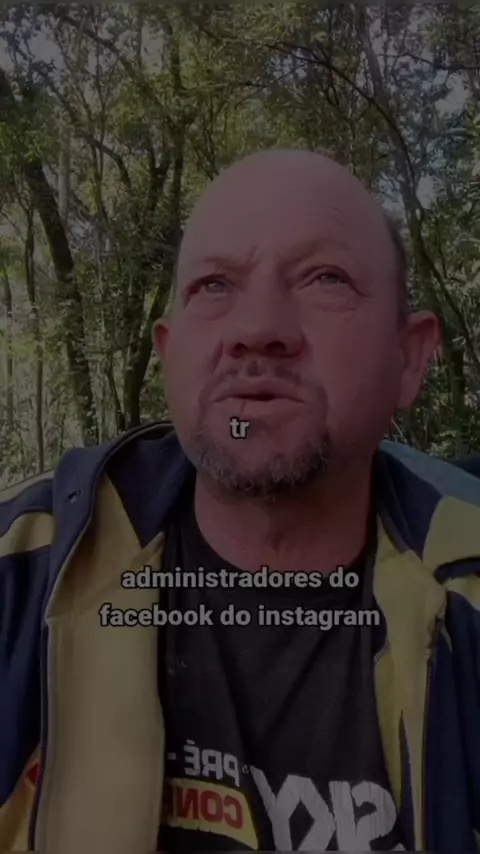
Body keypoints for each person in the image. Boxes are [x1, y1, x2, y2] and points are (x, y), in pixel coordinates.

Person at [1, 148, 480, 854]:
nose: (257, 330)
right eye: (214, 285)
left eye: (326, 278)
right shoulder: (21, 571)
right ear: (171, 353)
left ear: (410, 358)